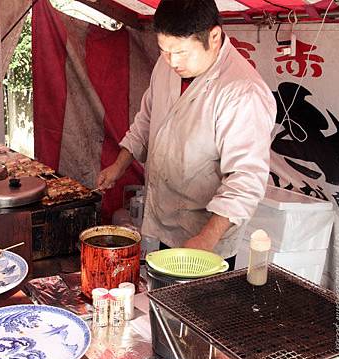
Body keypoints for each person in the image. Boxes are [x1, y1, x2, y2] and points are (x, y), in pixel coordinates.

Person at [97, 0, 277, 267]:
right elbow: (147, 119)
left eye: (181, 52)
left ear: (213, 37)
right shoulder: (165, 65)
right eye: (164, 50)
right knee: (156, 300)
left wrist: (207, 238)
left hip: (206, 238)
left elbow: (246, 179)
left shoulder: (242, 92)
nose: (172, 61)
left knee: (192, 307)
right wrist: (119, 165)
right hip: (162, 220)